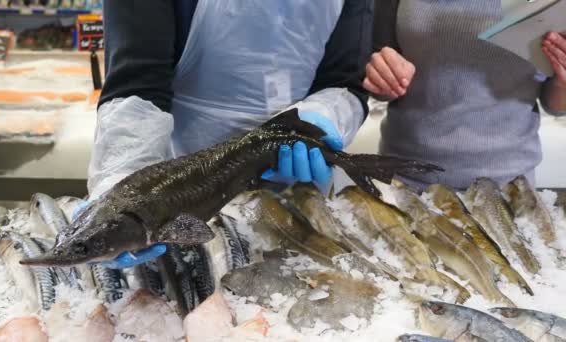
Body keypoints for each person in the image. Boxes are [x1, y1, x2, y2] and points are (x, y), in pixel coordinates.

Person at [80, 0, 374, 268]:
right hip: (176, 197)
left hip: (299, 186)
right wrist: (123, 191)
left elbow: (344, 81)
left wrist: (324, 115)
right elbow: (137, 88)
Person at [363, 0, 566, 190]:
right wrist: (381, 76)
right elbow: (375, 67)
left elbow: (555, 104)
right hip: (406, 177)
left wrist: (562, 79)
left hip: (509, 187)